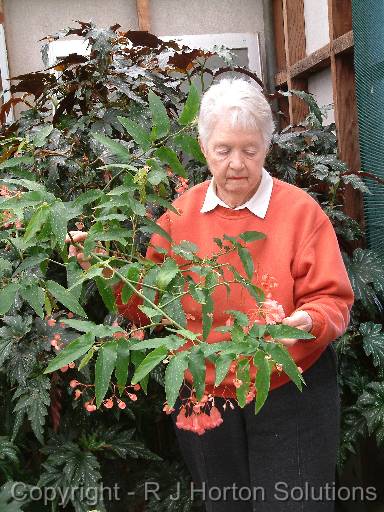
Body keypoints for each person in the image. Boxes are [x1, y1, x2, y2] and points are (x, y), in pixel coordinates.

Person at [68, 78, 354, 512]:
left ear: (266, 147)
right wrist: (105, 270)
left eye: (250, 149)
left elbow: (332, 301)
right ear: (204, 149)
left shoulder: (300, 213)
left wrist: (308, 321)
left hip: (290, 388)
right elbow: (148, 310)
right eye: (224, 150)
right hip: (205, 388)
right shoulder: (178, 219)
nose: (237, 163)